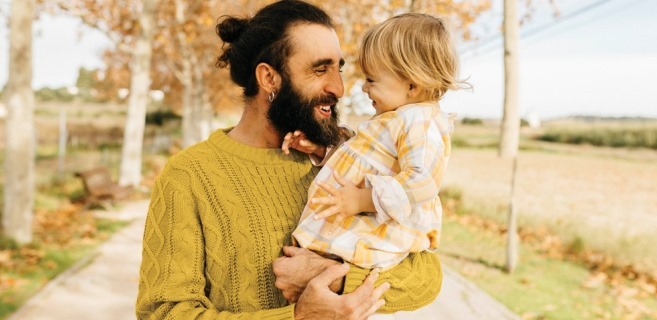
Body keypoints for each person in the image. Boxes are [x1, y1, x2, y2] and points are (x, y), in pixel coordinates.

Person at [135, 1, 442, 320]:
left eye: (340, 68)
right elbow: (163, 312)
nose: (338, 88)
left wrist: (334, 278)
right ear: (269, 78)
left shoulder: (345, 160)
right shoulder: (189, 176)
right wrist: (300, 316)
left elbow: (427, 276)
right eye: (320, 69)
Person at [285, 13, 461, 272]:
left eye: (371, 80)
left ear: (412, 85)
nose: (364, 89)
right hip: (356, 231)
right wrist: (322, 148)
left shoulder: (420, 121)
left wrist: (362, 200)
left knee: (305, 273)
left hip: (377, 234)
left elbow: (423, 182)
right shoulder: (396, 118)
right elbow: (364, 158)